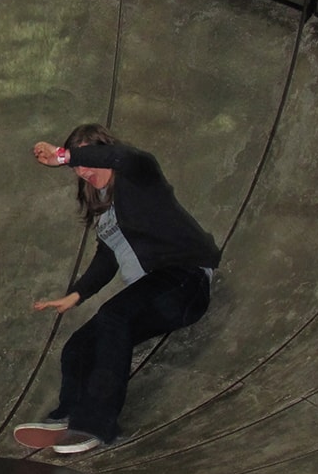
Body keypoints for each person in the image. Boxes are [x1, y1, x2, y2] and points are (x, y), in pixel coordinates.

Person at [14, 124, 221, 455]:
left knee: (114, 317)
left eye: (88, 160)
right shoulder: (109, 211)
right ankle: (71, 415)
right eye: (78, 168)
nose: (83, 171)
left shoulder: (141, 175)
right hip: (154, 293)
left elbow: (124, 156)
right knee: (79, 347)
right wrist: (77, 294)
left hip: (185, 280)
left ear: (106, 153)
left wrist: (64, 155)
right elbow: (106, 257)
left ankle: (97, 426)